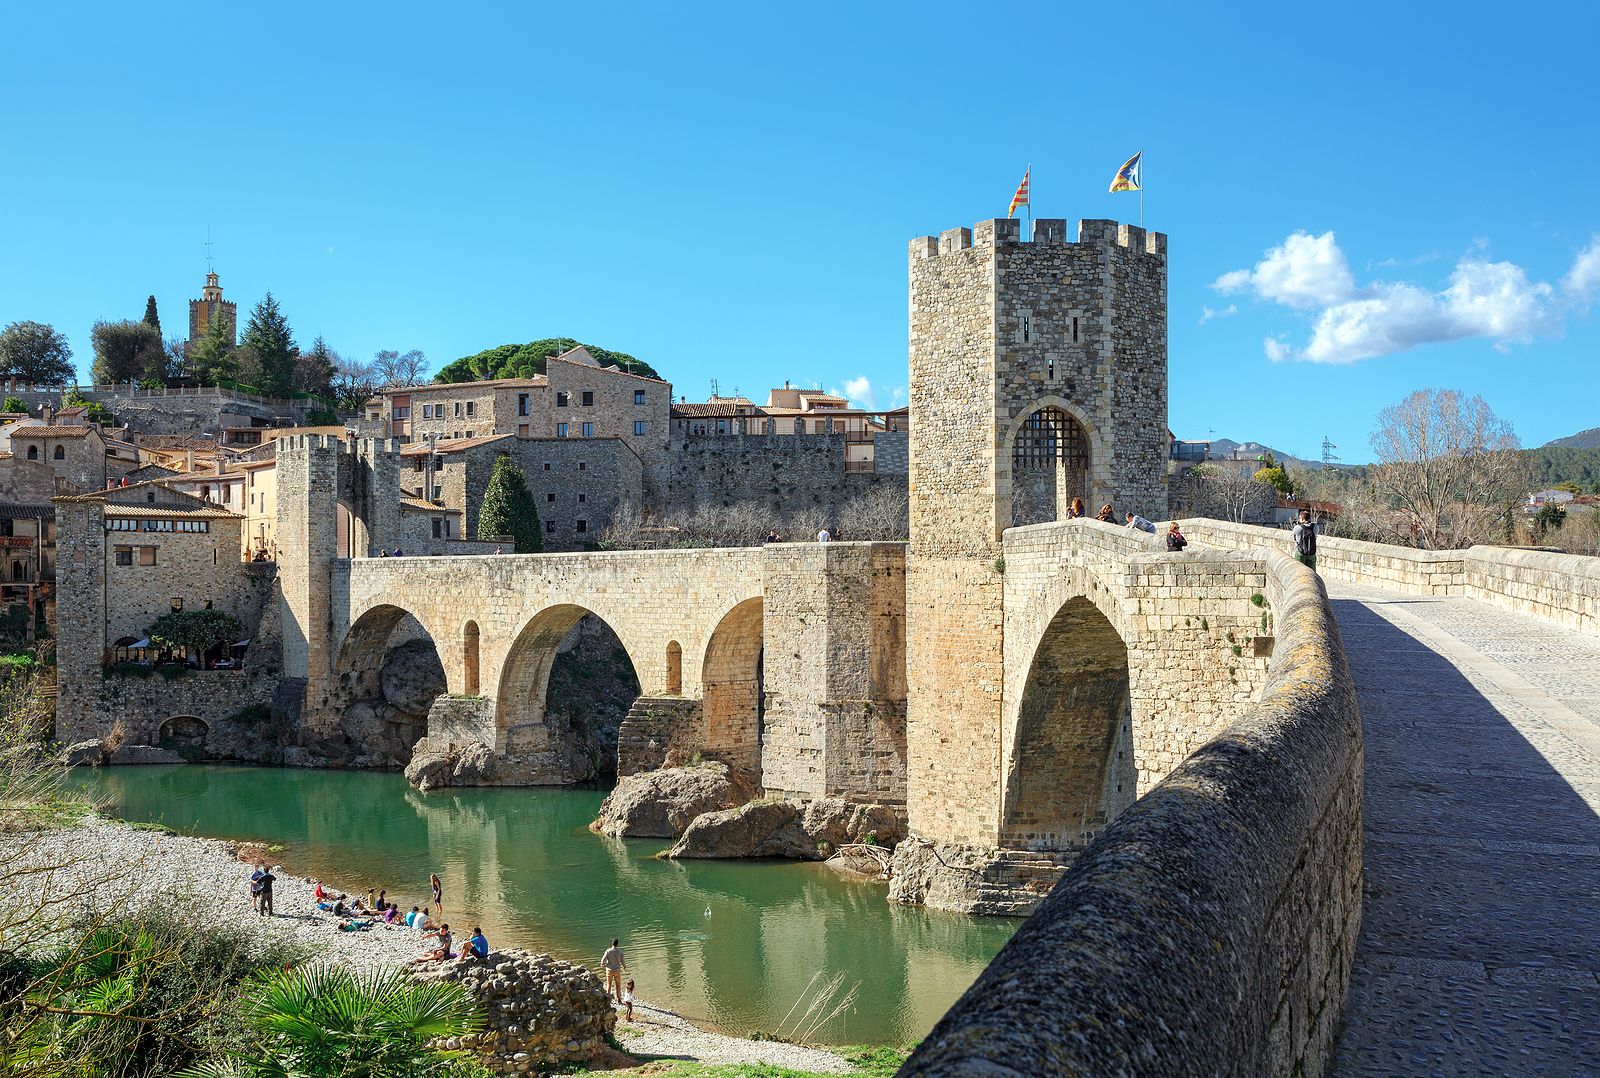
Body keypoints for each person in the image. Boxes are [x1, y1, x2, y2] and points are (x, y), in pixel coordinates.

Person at [601, 939, 627, 1003]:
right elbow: (623, 962)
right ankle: (619, 999)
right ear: (618, 944)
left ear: (612, 944)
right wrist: (624, 968)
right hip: (617, 970)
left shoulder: (608, 951)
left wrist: (602, 964)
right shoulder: (620, 952)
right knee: (618, 985)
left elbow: (602, 960)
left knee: (609, 984)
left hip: (609, 970)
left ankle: (608, 998)